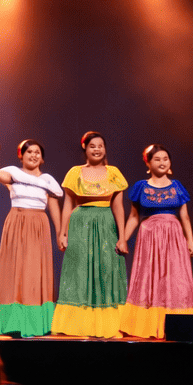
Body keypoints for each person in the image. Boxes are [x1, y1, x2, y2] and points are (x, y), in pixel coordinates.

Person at [51, 131, 129, 337]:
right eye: (92, 145)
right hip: (80, 224)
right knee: (79, 272)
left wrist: (122, 237)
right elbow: (67, 205)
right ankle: (77, 325)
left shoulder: (113, 172)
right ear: (85, 148)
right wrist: (62, 232)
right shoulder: (75, 172)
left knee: (107, 270)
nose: (97, 149)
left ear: (105, 149)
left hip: (105, 224)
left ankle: (109, 326)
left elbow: (119, 208)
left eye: (100, 145)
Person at [118, 144, 193, 339]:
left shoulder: (177, 186)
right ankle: (146, 326)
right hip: (150, 236)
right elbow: (134, 217)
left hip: (174, 235)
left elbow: (185, 217)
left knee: (176, 278)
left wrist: (192, 241)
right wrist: (123, 239)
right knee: (149, 277)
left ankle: (177, 325)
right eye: (157, 159)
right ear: (148, 163)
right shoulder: (140, 187)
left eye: (165, 159)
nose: (162, 162)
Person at [0, 139, 63, 337]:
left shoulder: (48, 181)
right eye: (29, 152)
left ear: (42, 158)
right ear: (22, 155)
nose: (34, 155)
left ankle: (34, 323)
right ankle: (11, 321)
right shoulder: (13, 172)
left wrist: (61, 232)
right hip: (17, 223)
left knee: (34, 273)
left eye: (37, 152)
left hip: (38, 226)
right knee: (14, 270)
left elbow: (54, 208)